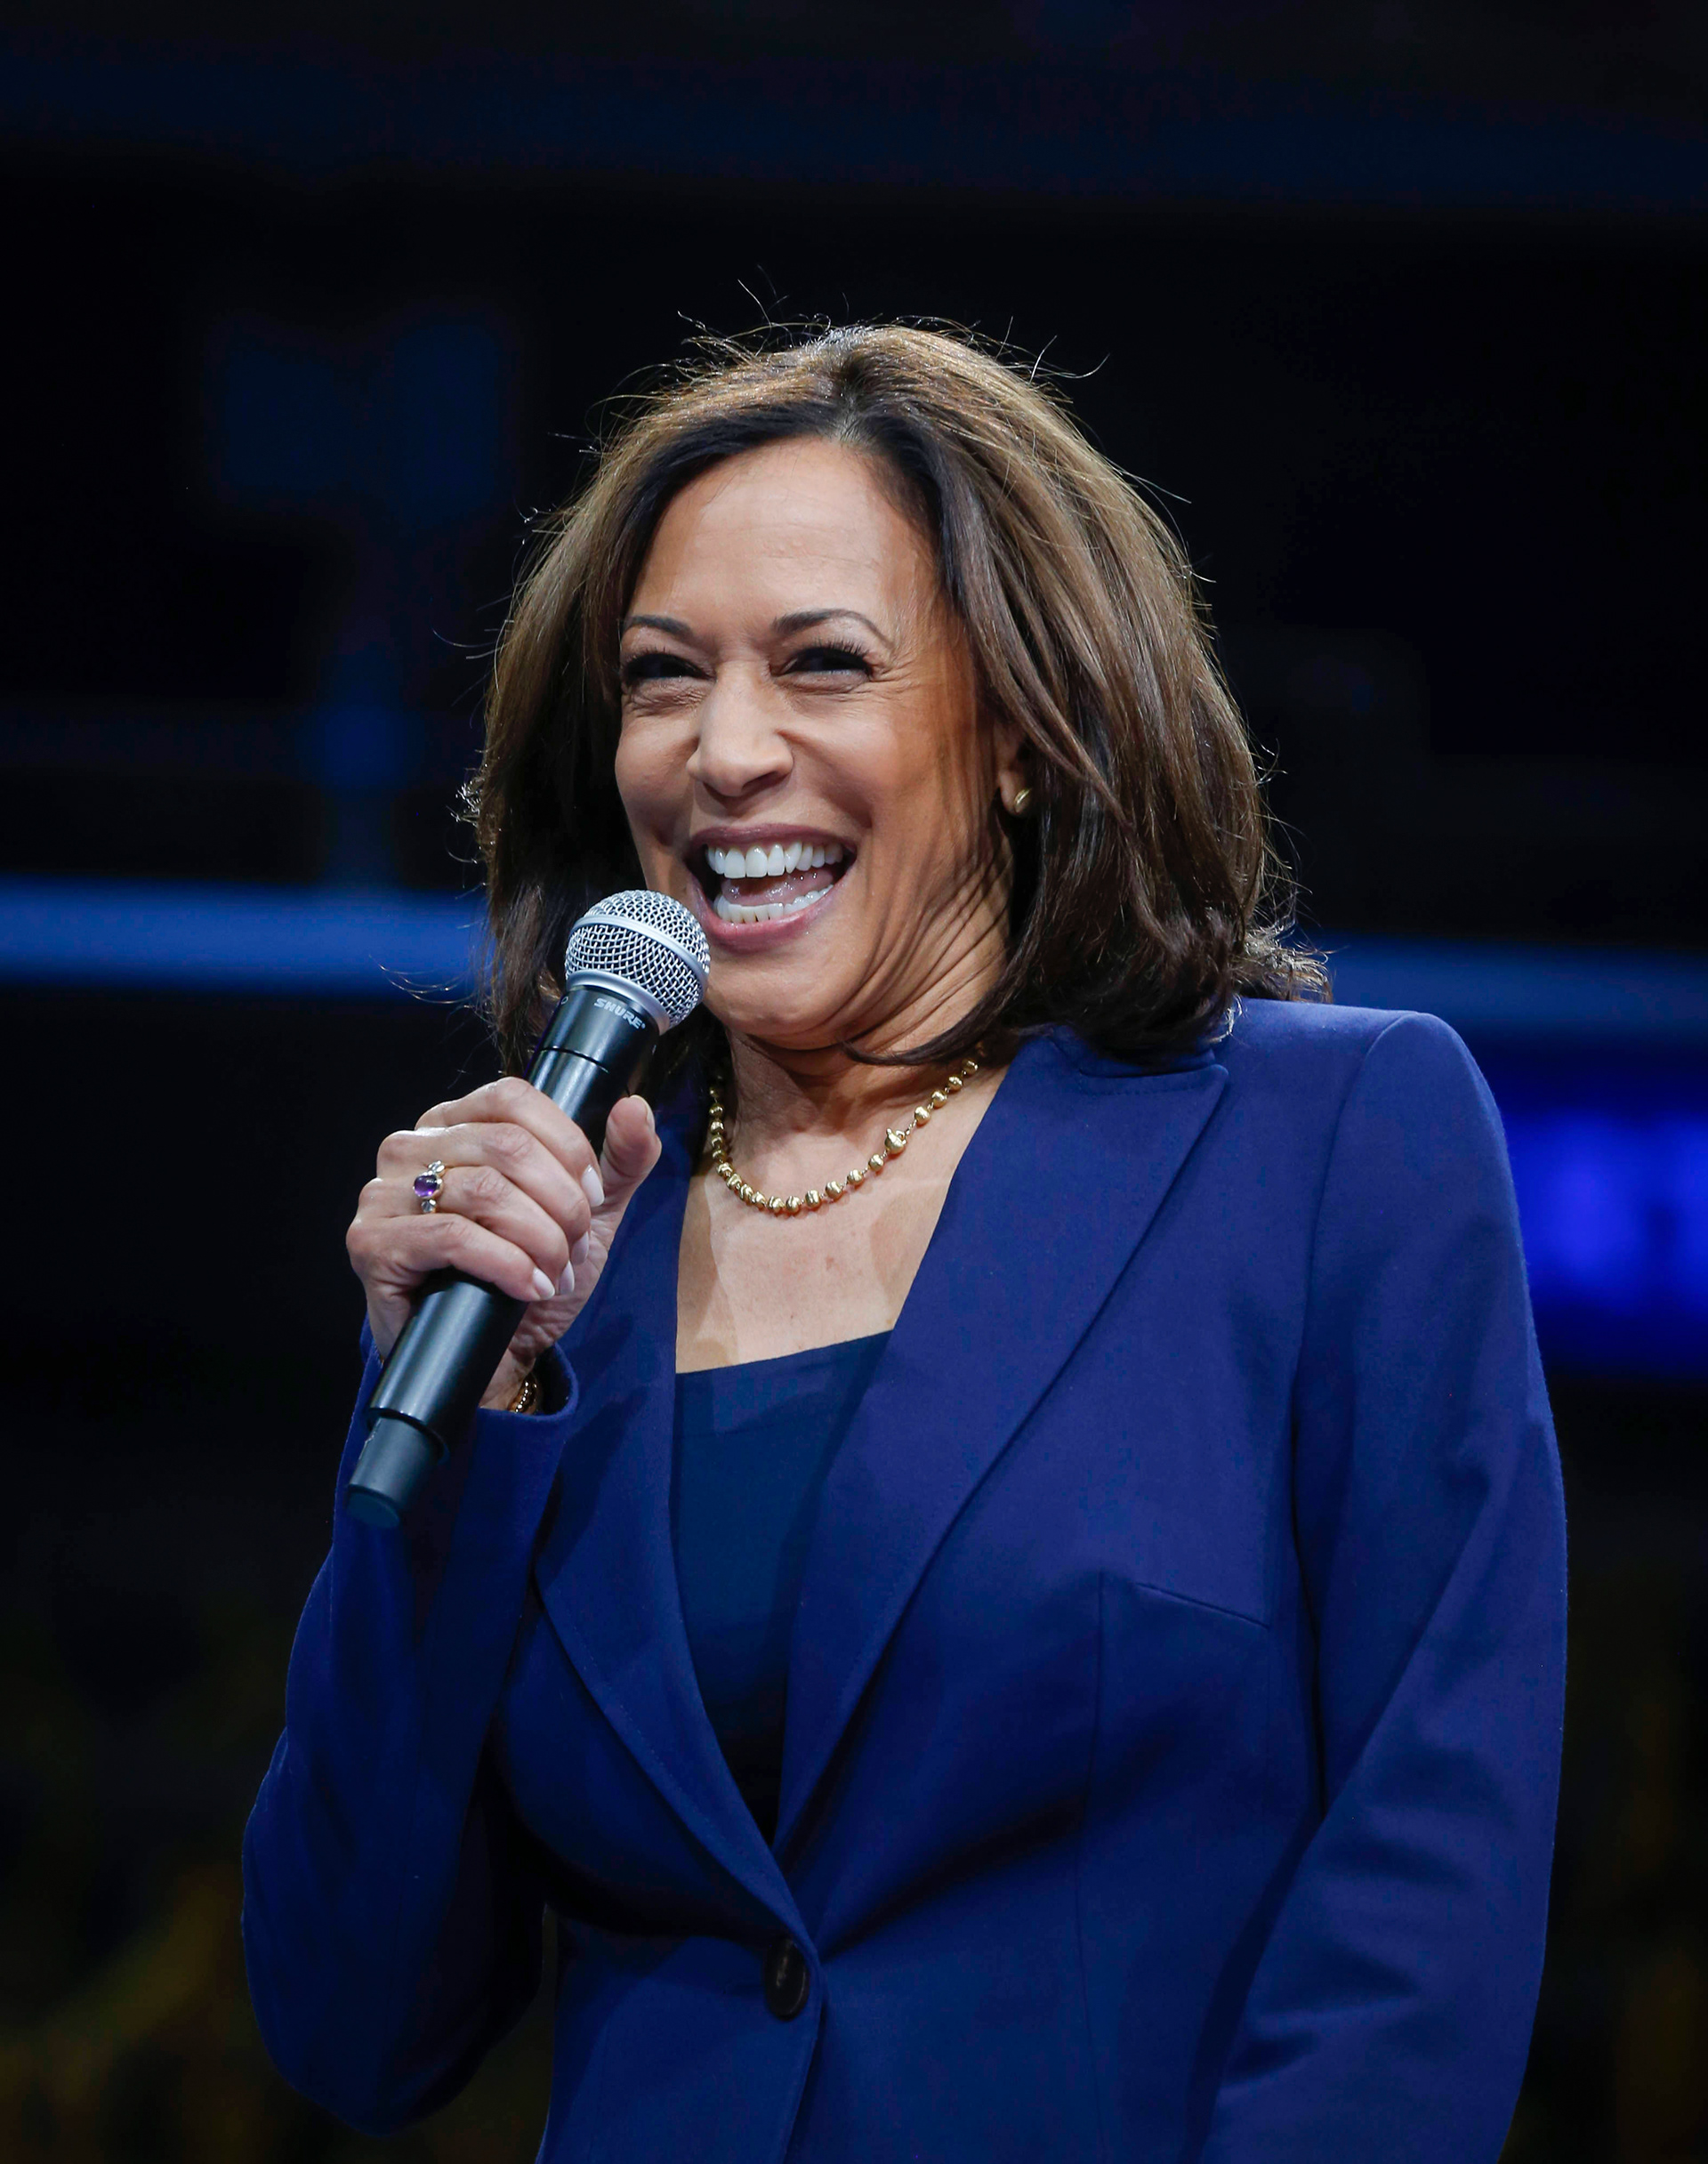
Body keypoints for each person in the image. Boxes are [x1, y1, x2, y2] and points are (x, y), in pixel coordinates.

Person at [242, 325, 1567, 2163]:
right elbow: (353, 2019)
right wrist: (438, 1404)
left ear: (1020, 738)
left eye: (823, 665)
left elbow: (1428, 1887)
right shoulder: (556, 1271)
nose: (721, 751)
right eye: (661, 678)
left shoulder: (1332, 1146)